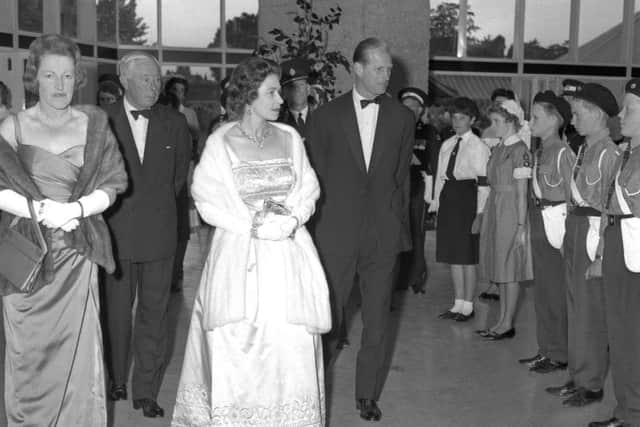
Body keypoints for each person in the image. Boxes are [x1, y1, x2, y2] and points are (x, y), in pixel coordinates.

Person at [171, 56, 330, 427]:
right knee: (240, 346)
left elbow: (309, 187)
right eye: (272, 91)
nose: (280, 99)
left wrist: (291, 219)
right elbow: (206, 200)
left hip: (288, 255)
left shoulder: (290, 137)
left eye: (280, 91)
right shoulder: (219, 141)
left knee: (289, 347)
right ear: (248, 94)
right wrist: (254, 226)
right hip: (240, 257)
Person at [0, 33, 127, 426]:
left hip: (77, 252)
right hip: (27, 258)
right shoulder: (13, 126)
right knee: (28, 355)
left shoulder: (95, 123)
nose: (59, 86)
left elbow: (114, 182)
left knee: (78, 358)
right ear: (33, 77)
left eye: (68, 76)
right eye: (50, 76)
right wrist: (37, 209)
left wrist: (77, 207)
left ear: (78, 78)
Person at [306, 37, 414, 422]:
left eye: (389, 69)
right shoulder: (324, 117)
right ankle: (312, 386)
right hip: (335, 234)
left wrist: (399, 232)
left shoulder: (403, 118)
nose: (388, 75)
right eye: (381, 69)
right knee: (328, 317)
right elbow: (312, 180)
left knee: (377, 320)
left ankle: (366, 394)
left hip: (382, 236)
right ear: (358, 69)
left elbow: (402, 181)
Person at [101, 51, 191, 418]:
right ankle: (116, 379)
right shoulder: (101, 121)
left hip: (160, 234)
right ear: (124, 81)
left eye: (156, 79)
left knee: (155, 316)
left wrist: (156, 210)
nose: (154, 86)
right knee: (116, 315)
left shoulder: (175, 122)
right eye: (145, 79)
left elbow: (178, 178)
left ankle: (146, 390)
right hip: (115, 235)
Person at [545, 83, 619, 407]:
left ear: (595, 113)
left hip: (592, 231)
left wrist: (602, 253)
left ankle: (592, 383)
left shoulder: (610, 154)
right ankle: (576, 374)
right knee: (574, 307)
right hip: (575, 227)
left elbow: (607, 205)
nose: (572, 120)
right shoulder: (585, 149)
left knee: (590, 311)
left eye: (576, 113)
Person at [589, 79, 640, 427]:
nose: (620, 115)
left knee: (630, 334)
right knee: (621, 333)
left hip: (634, 242)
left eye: (630, 109)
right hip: (621, 239)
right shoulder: (628, 152)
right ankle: (627, 410)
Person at [518, 91, 574, 372]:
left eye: (537, 116)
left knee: (555, 293)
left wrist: (568, 237)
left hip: (556, 224)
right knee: (542, 291)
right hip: (539, 219)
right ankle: (545, 348)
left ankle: (559, 353)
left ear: (555, 120)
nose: (531, 121)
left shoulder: (563, 152)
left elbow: (573, 196)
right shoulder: (541, 150)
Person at [476, 99, 533, 340]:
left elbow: (521, 192)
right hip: (495, 207)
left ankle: (507, 322)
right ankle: (500, 320)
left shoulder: (521, 151)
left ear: (511, 122)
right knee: (498, 264)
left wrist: (521, 226)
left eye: (498, 122)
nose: (494, 126)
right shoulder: (498, 148)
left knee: (509, 267)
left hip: (510, 209)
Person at [430, 97, 490, 322]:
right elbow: (439, 177)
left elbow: (484, 183)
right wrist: (436, 203)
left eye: (462, 118)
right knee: (453, 254)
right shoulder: (447, 144)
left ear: (472, 120)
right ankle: (457, 303)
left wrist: (480, 213)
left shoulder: (478, 146)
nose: (457, 122)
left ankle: (468, 305)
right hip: (449, 197)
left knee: (466, 255)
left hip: (468, 198)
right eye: (454, 117)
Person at [165, 76, 198, 293]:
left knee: (182, 230)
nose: (179, 93)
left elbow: (193, 148)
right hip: (163, 185)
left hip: (181, 180)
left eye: (181, 90)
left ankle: (176, 272)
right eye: (175, 89)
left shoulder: (188, 116)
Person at [397, 86, 431, 293]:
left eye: (413, 107)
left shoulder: (427, 132)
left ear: (420, 110)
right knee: (396, 233)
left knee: (416, 233)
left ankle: (416, 277)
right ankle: (398, 279)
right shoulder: (392, 129)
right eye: (405, 107)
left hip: (417, 188)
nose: (409, 111)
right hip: (395, 188)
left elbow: (431, 162)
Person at [278, 57, 312, 137]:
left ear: (308, 89)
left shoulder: (322, 117)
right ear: (283, 94)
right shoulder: (277, 123)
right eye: (291, 87)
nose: (297, 90)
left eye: (301, 85)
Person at [561, 79, 586, 154]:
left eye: (570, 98)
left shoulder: (584, 119)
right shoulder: (567, 116)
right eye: (566, 98)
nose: (566, 100)